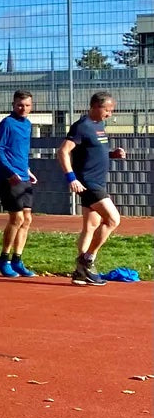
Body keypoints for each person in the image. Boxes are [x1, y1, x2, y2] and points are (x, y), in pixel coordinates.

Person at [58, 91, 126, 286]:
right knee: (113, 219)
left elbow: (94, 152)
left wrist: (113, 154)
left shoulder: (99, 125)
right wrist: (71, 178)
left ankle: (80, 272)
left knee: (90, 227)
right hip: (88, 183)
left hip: (98, 181)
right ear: (96, 106)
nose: (110, 114)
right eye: (108, 109)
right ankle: (88, 260)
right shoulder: (81, 126)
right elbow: (62, 152)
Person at [0, 91, 38, 277]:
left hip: (23, 176)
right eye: (20, 105)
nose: (23, 108)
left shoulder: (27, 124)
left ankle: (17, 260)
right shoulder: (7, 123)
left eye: (27, 105)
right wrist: (10, 172)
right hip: (9, 178)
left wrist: (27, 170)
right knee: (17, 218)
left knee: (27, 219)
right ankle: (4, 258)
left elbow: (20, 151)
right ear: (13, 104)